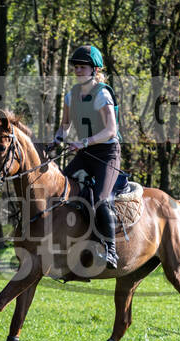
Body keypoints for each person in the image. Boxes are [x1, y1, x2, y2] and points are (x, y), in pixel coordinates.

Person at [50, 45, 122, 269]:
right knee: (57, 189)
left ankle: (110, 250)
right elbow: (65, 125)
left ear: (94, 70)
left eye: (82, 67)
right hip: (85, 153)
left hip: (107, 154)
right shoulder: (71, 95)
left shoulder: (102, 93)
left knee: (100, 198)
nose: (78, 71)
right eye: (76, 67)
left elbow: (111, 130)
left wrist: (84, 142)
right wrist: (56, 141)